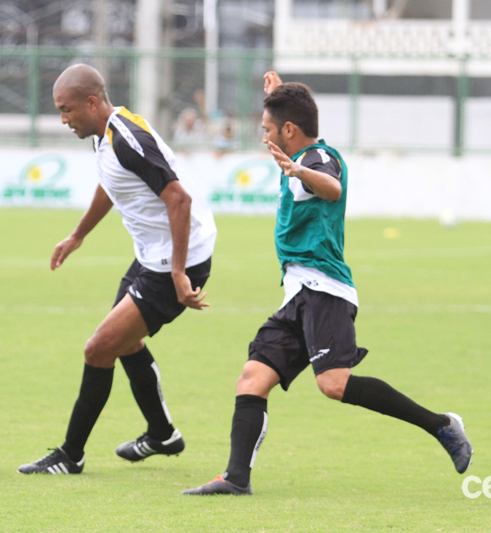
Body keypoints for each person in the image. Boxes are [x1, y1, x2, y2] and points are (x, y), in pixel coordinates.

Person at [182, 72, 472, 496]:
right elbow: (296, 131)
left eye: (268, 129)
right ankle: (235, 478)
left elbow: (332, 188)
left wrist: (298, 168)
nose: (264, 137)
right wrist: (278, 97)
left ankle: (443, 426)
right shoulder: (300, 151)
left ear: (289, 130)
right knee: (252, 378)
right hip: (298, 292)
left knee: (333, 384)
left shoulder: (320, 158)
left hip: (325, 291)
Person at [18, 64, 217, 474]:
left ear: (92, 102)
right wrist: (77, 236)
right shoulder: (105, 137)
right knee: (123, 343)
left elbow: (179, 200)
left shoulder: (128, 139)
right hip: (152, 257)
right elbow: (113, 185)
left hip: (175, 262)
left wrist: (179, 274)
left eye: (66, 109)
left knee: (99, 348)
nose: (63, 119)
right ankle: (163, 435)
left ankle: (70, 456)